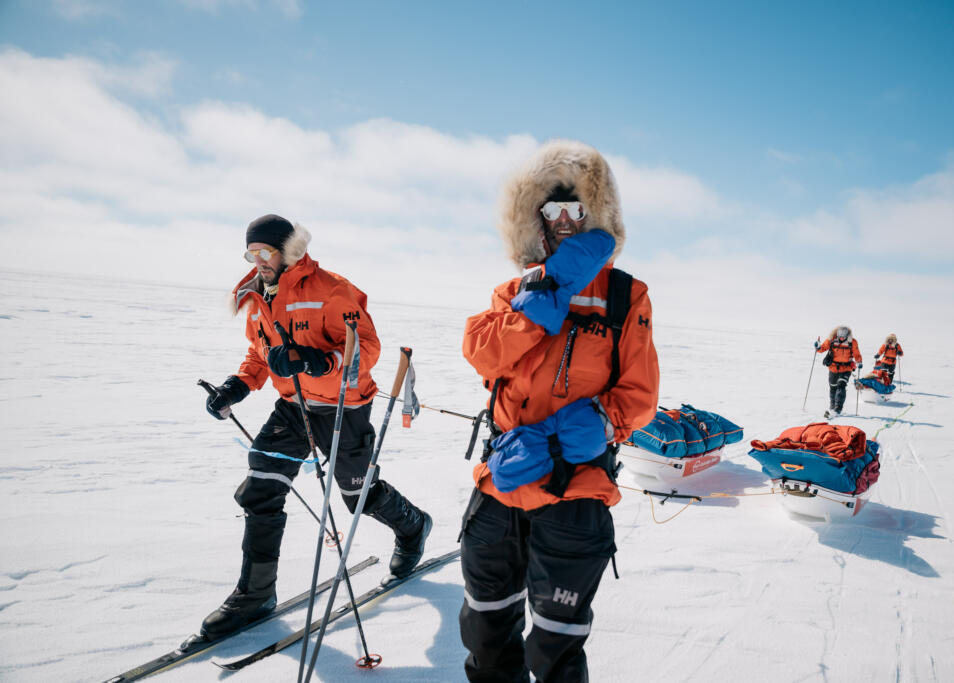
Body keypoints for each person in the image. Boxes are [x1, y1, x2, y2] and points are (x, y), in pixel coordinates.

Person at [459, 140, 660, 682]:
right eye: (554, 211)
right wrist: (537, 304)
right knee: (485, 632)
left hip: (573, 492)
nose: (566, 222)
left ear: (596, 216)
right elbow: (481, 352)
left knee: (554, 649)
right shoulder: (514, 291)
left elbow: (639, 400)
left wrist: (561, 438)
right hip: (500, 486)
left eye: (578, 212)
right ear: (535, 220)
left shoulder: (624, 297)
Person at [195, 214, 432, 642]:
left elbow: (366, 349)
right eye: (251, 252)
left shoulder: (331, 289)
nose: (258, 260)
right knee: (262, 485)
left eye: (265, 251)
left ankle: (413, 527)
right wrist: (236, 387)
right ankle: (255, 594)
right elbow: (259, 357)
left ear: (289, 250)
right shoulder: (255, 296)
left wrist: (316, 361)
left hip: (344, 407)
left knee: (356, 495)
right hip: (294, 407)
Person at [815, 325, 863, 418]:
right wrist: (817, 347)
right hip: (833, 367)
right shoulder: (832, 340)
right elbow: (822, 348)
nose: (841, 338)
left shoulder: (852, 342)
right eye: (839, 336)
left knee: (841, 385)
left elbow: (857, 354)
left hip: (846, 368)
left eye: (843, 337)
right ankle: (832, 406)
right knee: (833, 387)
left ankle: (838, 408)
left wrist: (859, 362)